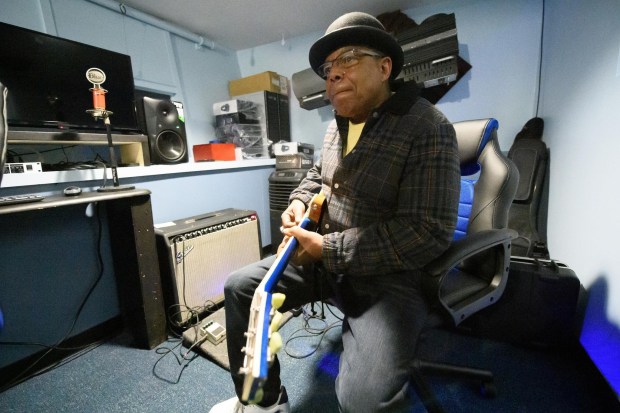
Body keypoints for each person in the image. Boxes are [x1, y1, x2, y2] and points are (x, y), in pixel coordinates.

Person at [209, 11, 461, 413]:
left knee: (363, 402)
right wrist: (296, 201)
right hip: (322, 259)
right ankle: (263, 400)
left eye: (348, 59)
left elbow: (427, 232)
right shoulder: (335, 126)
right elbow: (316, 176)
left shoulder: (428, 127)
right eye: (329, 67)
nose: (333, 74)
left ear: (384, 67)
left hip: (386, 277)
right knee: (242, 287)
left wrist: (328, 248)